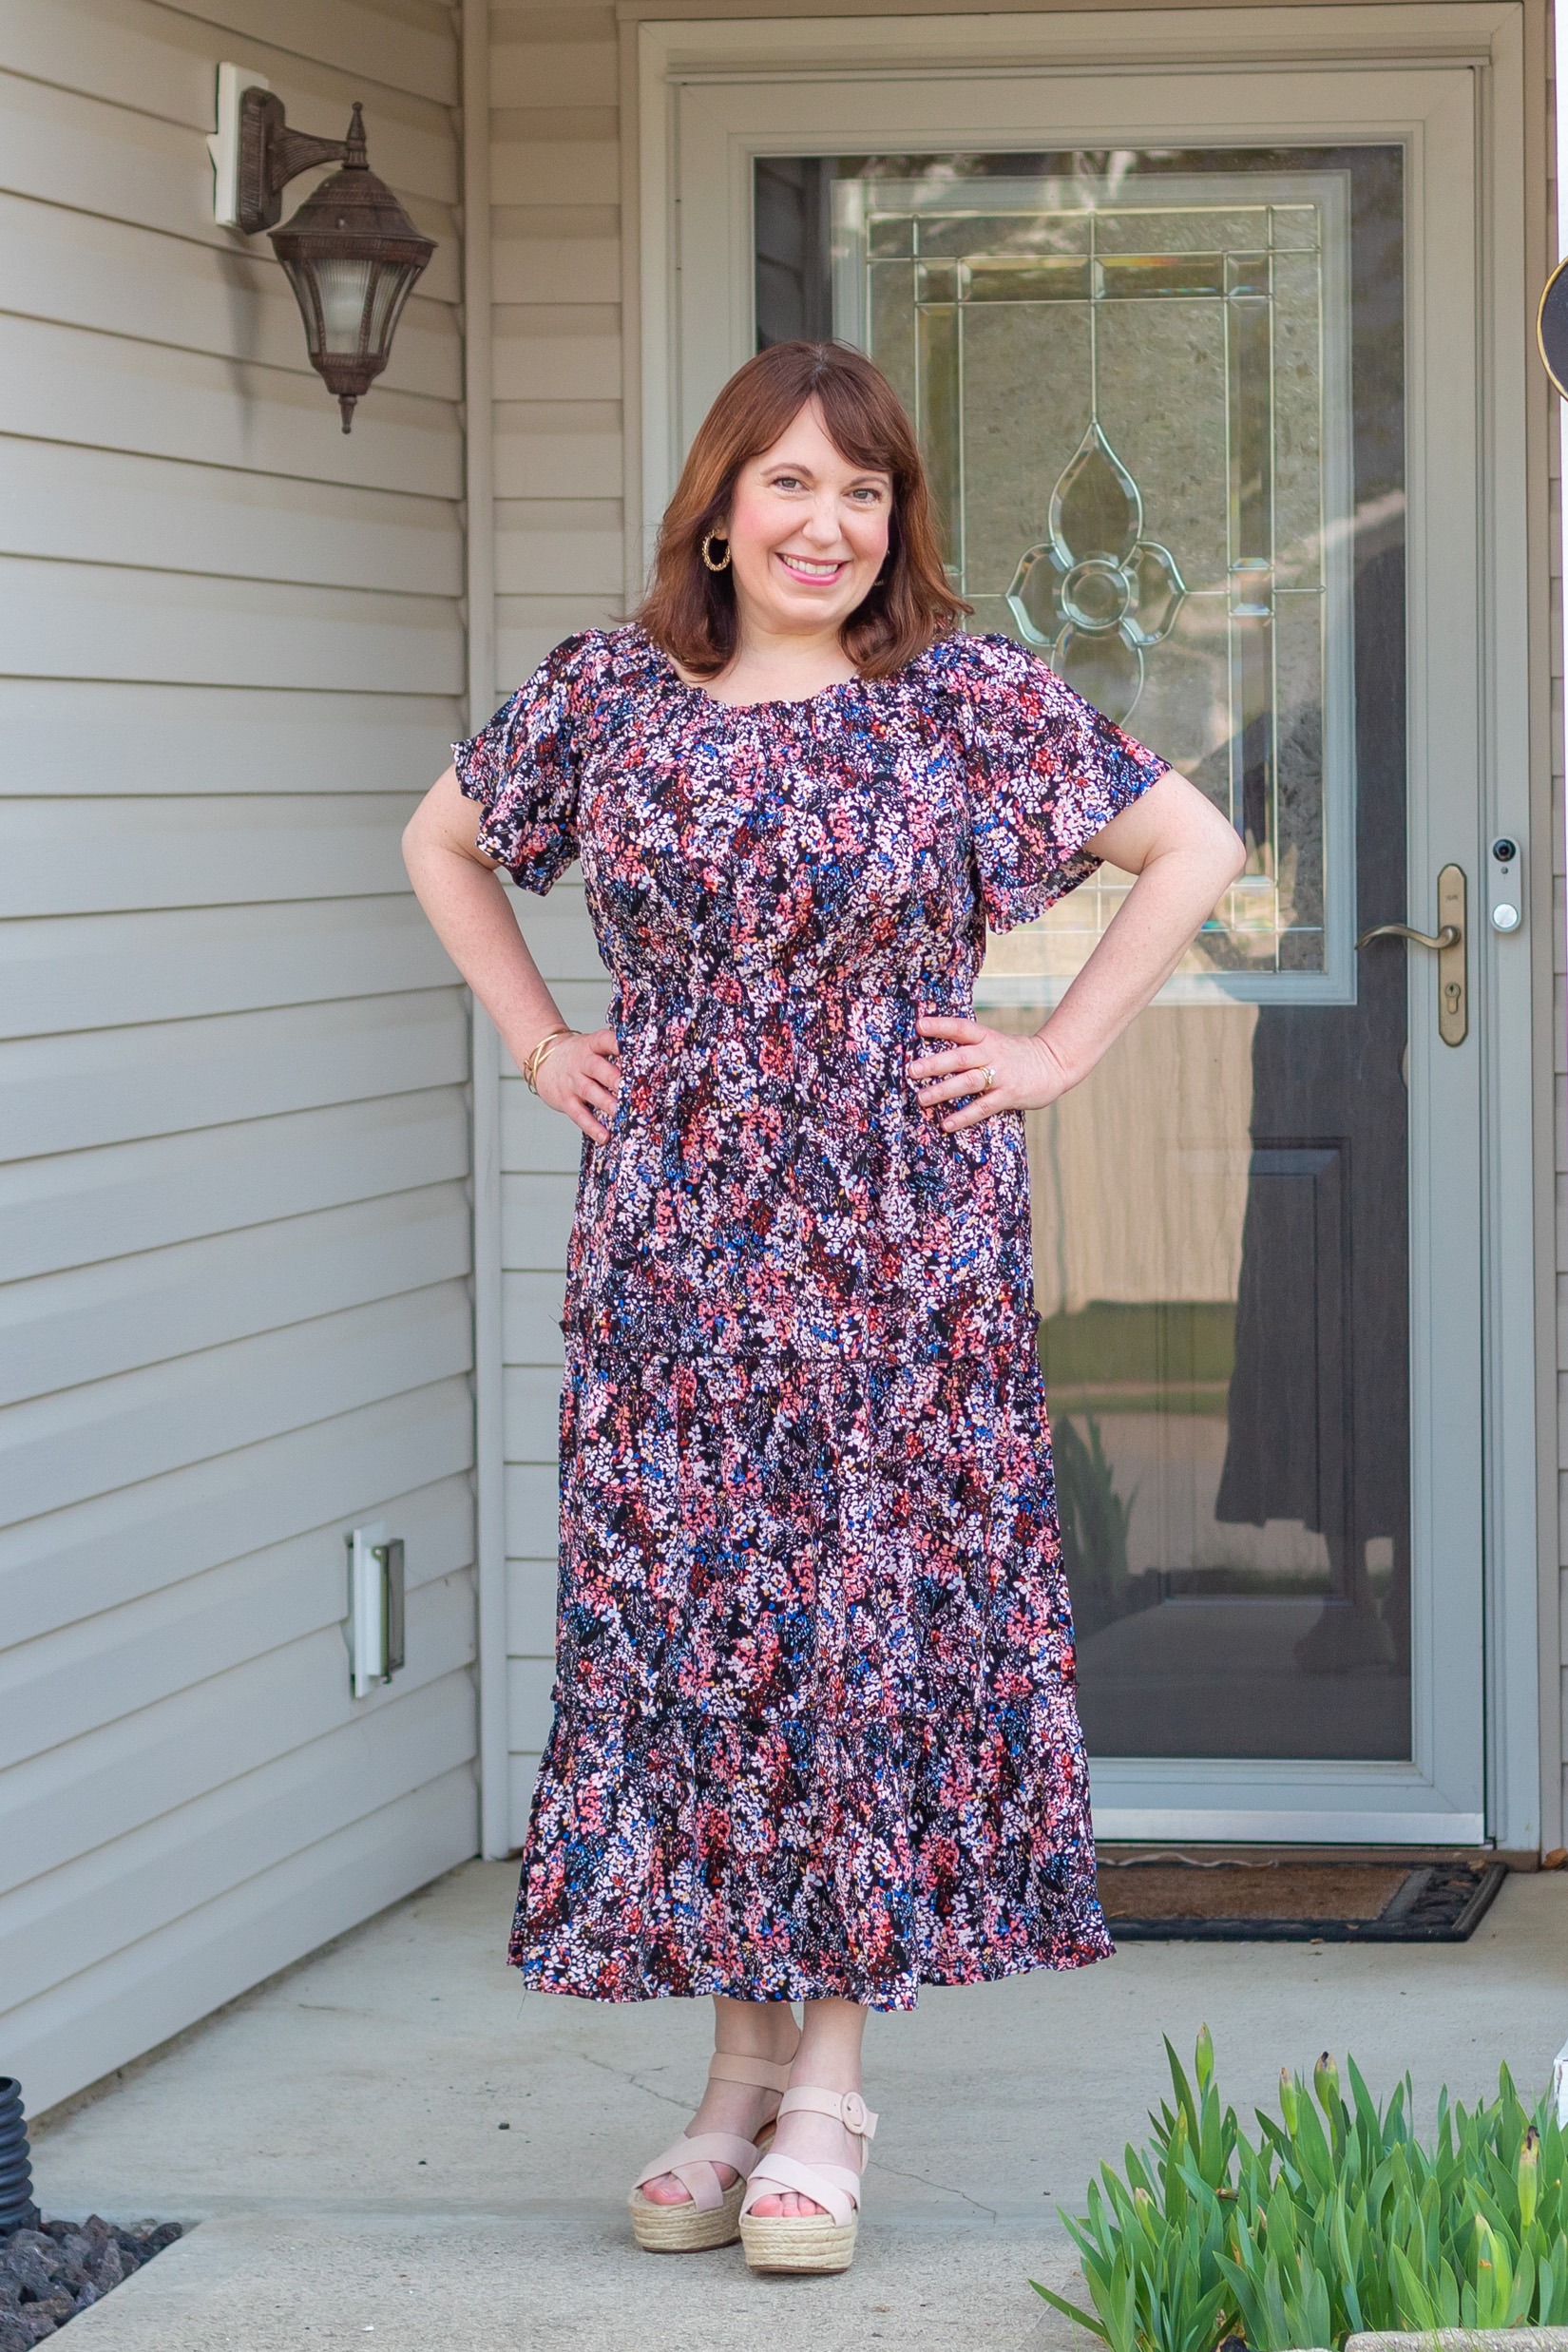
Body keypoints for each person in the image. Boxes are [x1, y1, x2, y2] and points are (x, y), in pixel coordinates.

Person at [402, 339, 1245, 2278]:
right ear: (719, 504)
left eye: (863, 492)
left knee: (859, 1642)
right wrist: (541, 1040)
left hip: (897, 1241)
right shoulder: (609, 695)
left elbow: (1189, 844)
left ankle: (831, 2085)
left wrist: (1053, 1050)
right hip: (675, 1246)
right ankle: (729, 2073)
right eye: (788, 483)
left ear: (897, 522)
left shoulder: (959, 697)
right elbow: (439, 838)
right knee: (701, 1641)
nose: (826, 523)